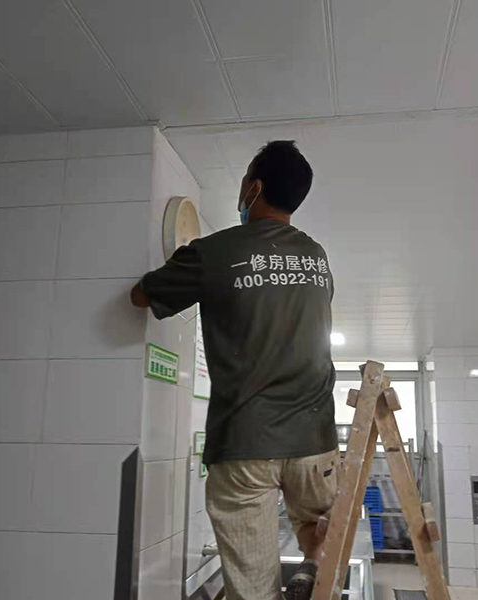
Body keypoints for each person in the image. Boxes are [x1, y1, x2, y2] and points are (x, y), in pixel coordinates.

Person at [131, 140, 337, 600]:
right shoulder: (317, 256)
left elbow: (143, 296)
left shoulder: (215, 251)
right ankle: (312, 566)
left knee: (252, 586)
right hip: (315, 438)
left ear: (253, 188)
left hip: (245, 443)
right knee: (322, 530)